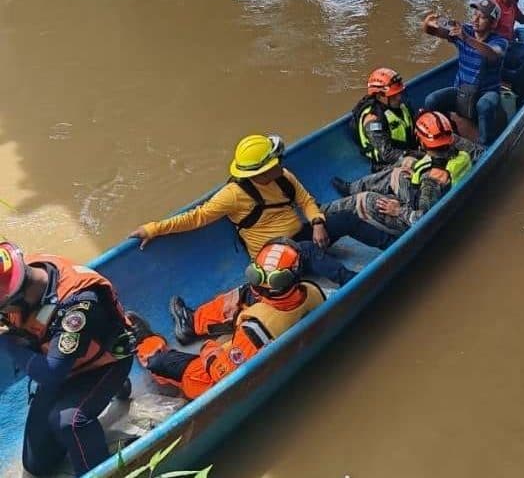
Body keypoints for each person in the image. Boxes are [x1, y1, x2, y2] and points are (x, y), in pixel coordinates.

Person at [129, 134, 353, 343]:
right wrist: (154, 229)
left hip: (298, 242)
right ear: (260, 173)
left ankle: (384, 242)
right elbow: (197, 216)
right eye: (277, 160)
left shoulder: (283, 177)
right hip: (272, 260)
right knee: (292, 260)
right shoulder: (233, 195)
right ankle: (352, 281)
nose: (281, 162)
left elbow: (305, 200)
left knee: (341, 220)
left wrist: (317, 222)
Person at [0, 242, 134, 477]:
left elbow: (52, 373)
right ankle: (113, 391)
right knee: (36, 465)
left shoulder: (77, 306)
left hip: (103, 363)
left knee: (69, 422)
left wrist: (7, 343)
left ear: (17, 297)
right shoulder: (28, 276)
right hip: (63, 361)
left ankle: (101, 472)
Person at [133, 239, 324, 400]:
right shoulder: (312, 290)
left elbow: (221, 373)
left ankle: (145, 345)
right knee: (243, 294)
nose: (256, 286)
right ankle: (191, 322)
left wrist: (210, 347)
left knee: (161, 363)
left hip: (220, 378)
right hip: (278, 331)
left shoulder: (253, 330)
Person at [324, 111, 473, 245]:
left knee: (367, 199)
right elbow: (478, 151)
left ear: (422, 141)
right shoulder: (459, 152)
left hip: (412, 221)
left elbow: (424, 220)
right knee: (400, 171)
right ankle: (352, 188)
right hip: (435, 197)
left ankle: (323, 212)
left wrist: (398, 210)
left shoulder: (430, 181)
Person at [422, 0, 509, 145]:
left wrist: (467, 39)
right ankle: (447, 134)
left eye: (481, 17)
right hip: (462, 91)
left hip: (486, 92)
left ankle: (483, 145)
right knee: (432, 101)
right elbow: (434, 31)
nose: (475, 19)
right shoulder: (464, 29)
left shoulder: (500, 41)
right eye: (475, 14)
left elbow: (493, 54)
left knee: (485, 105)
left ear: (493, 24)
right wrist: (429, 23)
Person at [351, 67, 419, 172]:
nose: (399, 97)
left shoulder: (400, 106)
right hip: (386, 165)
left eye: (399, 93)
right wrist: (416, 156)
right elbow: (386, 153)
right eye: (393, 95)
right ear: (379, 96)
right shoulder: (373, 119)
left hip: (409, 150)